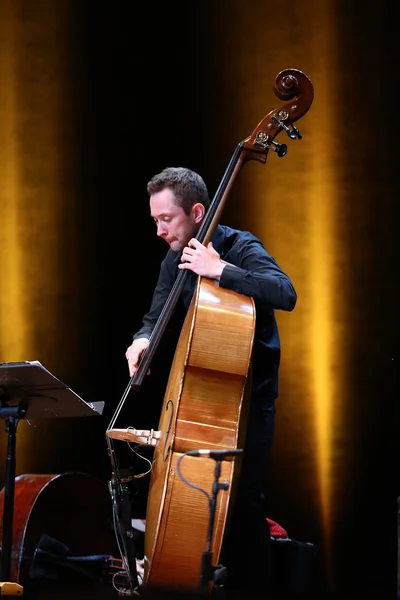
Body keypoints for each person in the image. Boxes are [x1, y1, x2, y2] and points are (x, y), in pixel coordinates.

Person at [125, 166, 297, 596]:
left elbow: (285, 291)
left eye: (167, 220)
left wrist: (221, 270)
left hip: (247, 402)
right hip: (199, 403)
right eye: (156, 221)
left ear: (197, 212)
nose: (160, 231)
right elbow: (154, 315)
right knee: (197, 510)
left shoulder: (240, 246)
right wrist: (141, 340)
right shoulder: (174, 259)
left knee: (242, 509)